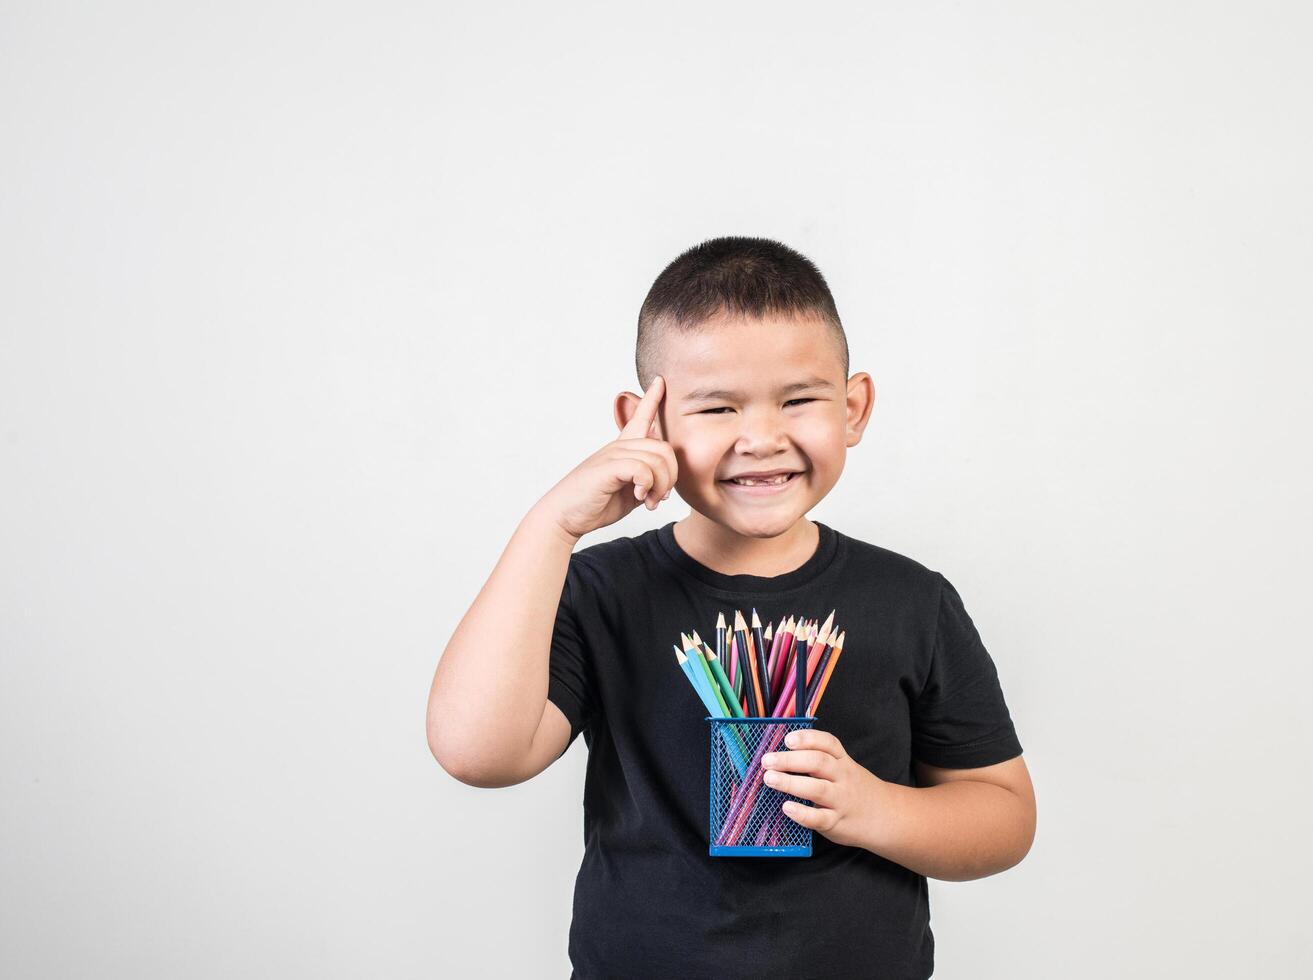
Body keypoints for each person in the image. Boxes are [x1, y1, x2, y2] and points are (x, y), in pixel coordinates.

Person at [426, 236, 1036, 979]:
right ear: (645, 419)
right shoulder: (598, 591)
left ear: (853, 408)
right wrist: (553, 524)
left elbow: (1002, 816)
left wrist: (876, 809)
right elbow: (476, 753)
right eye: (716, 407)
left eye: (800, 399)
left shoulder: (913, 601)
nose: (761, 438)